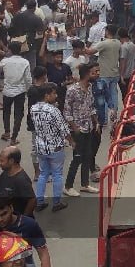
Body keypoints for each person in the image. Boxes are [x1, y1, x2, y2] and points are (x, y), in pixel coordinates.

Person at [0, 197, 50, 267]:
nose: (0, 219)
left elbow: (43, 251)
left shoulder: (29, 225)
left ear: (11, 208)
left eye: (4, 214)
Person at [30, 82, 71, 212]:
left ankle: (40, 201)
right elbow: (63, 129)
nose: (56, 95)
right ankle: (56, 202)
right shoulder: (53, 110)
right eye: (54, 93)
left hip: (41, 147)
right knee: (57, 174)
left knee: (43, 174)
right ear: (47, 95)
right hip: (55, 147)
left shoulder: (33, 108)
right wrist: (72, 141)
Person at [63, 63, 100, 197]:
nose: (97, 73)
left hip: (89, 127)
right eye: (95, 71)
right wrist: (74, 128)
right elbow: (67, 112)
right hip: (78, 130)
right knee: (77, 158)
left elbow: (91, 106)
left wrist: (96, 122)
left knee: (87, 156)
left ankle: (84, 185)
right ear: (87, 74)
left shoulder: (90, 87)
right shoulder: (72, 90)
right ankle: (68, 186)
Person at [0, 41, 31, 145]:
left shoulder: (5, 61)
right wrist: (28, 89)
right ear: (20, 49)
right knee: (18, 115)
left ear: (9, 50)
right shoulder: (25, 62)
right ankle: (13, 138)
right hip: (20, 91)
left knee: (6, 112)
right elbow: (28, 79)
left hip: (7, 91)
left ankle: (7, 132)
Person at [0, 146, 37, 217]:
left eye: (2, 161)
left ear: (11, 161)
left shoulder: (21, 180)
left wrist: (23, 218)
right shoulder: (5, 173)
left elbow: (32, 200)